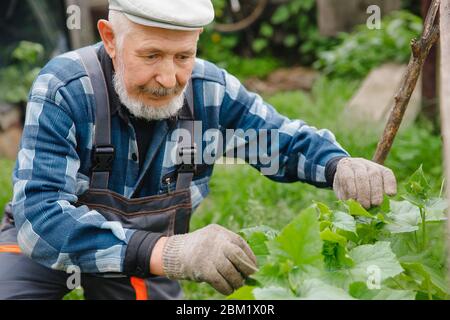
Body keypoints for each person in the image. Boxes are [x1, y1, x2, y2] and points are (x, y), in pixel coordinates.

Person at [0, 0, 397, 300]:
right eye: (151, 55)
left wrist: (337, 165)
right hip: (59, 245)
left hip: (149, 256)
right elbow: (42, 218)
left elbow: (279, 141)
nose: (169, 78)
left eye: (183, 56)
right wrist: (167, 252)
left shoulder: (210, 92)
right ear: (110, 39)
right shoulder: (67, 89)